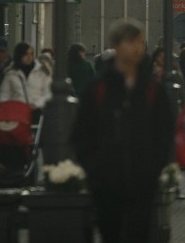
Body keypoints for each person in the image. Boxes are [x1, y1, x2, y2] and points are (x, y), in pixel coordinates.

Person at [73, 18, 174, 243]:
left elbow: (165, 132)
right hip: (106, 182)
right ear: (116, 45)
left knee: (140, 234)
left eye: (140, 42)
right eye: (131, 42)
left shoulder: (151, 89)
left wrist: (154, 167)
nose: (137, 48)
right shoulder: (98, 89)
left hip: (143, 180)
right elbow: (82, 133)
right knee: (111, 234)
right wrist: (95, 169)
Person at [0, 42, 52, 113]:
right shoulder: (11, 73)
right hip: (17, 114)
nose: (29, 57)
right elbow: (4, 94)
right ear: (20, 55)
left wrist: (36, 104)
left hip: (37, 112)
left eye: (31, 54)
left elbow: (48, 93)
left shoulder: (42, 72)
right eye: (26, 54)